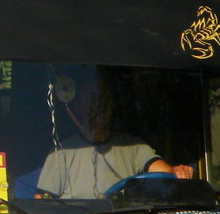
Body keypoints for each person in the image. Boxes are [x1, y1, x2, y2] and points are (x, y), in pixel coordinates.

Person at [36, 77, 193, 199]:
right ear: (78, 105)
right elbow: (42, 204)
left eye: (104, 98)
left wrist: (177, 171)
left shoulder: (134, 147)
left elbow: (163, 171)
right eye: (92, 98)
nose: (99, 104)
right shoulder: (62, 152)